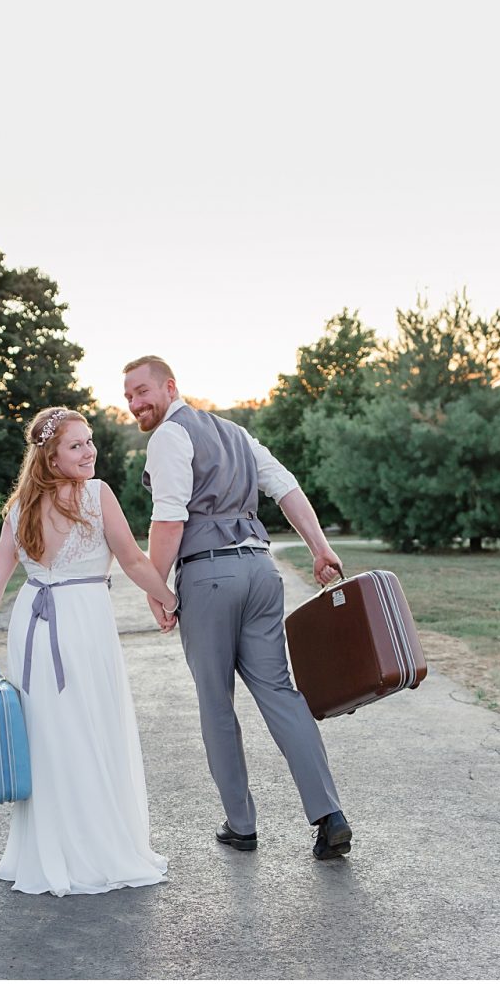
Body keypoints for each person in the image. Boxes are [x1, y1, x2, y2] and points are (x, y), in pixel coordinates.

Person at [122, 355, 353, 860]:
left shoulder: (167, 437)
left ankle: (242, 825)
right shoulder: (237, 433)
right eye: (129, 398)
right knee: (281, 693)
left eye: (142, 391)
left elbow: (168, 519)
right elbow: (285, 486)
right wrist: (319, 547)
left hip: (209, 577)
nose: (136, 404)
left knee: (215, 701)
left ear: (170, 387)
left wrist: (156, 589)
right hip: (260, 570)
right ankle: (329, 815)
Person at [0, 406, 178, 896]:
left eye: (89, 442)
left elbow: (0, 576)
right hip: (77, 622)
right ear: (52, 457)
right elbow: (131, 559)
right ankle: (97, 848)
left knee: (53, 730)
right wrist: (169, 599)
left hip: (35, 623)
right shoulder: (96, 495)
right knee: (80, 727)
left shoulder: (19, 506)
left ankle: (54, 848)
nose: (89, 451)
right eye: (76, 445)